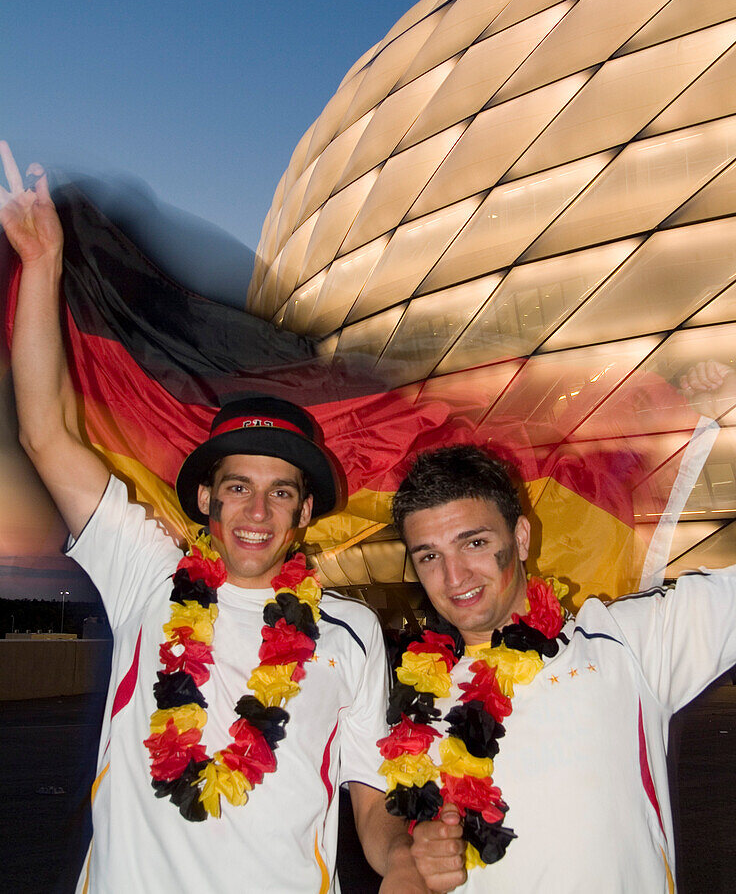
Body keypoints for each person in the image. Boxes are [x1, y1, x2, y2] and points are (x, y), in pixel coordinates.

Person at [0, 142, 426, 894]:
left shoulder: (352, 633)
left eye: (281, 492)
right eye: (238, 487)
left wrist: (399, 859)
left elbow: (369, 793)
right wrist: (41, 268)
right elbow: (46, 434)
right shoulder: (145, 573)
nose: (257, 511)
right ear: (206, 499)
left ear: (303, 515)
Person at [384, 442, 736, 893]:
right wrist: (416, 855)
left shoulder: (625, 639)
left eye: (474, 543)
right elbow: (397, 832)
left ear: (522, 538)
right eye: (430, 556)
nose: (455, 578)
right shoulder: (414, 706)